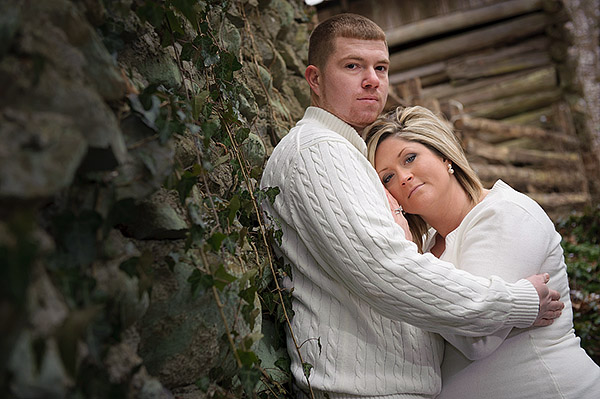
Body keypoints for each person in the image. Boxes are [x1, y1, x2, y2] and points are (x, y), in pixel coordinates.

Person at [260, 13, 563, 399]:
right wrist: (514, 303)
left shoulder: (341, 153)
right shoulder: (319, 152)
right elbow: (385, 270)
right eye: (353, 66)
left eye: (381, 67)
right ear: (315, 79)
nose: (372, 79)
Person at [365, 105, 600, 398]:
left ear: (443, 155)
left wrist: (412, 267)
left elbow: (477, 337)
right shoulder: (421, 249)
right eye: (387, 177)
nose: (403, 177)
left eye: (410, 158)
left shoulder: (503, 213)